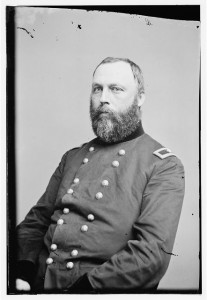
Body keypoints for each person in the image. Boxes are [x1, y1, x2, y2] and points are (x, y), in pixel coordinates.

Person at [15, 57, 185, 293]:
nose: (103, 98)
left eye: (116, 89)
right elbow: (35, 223)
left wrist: (83, 290)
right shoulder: (72, 157)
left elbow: (150, 256)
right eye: (97, 88)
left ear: (140, 98)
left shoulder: (164, 166)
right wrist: (21, 272)